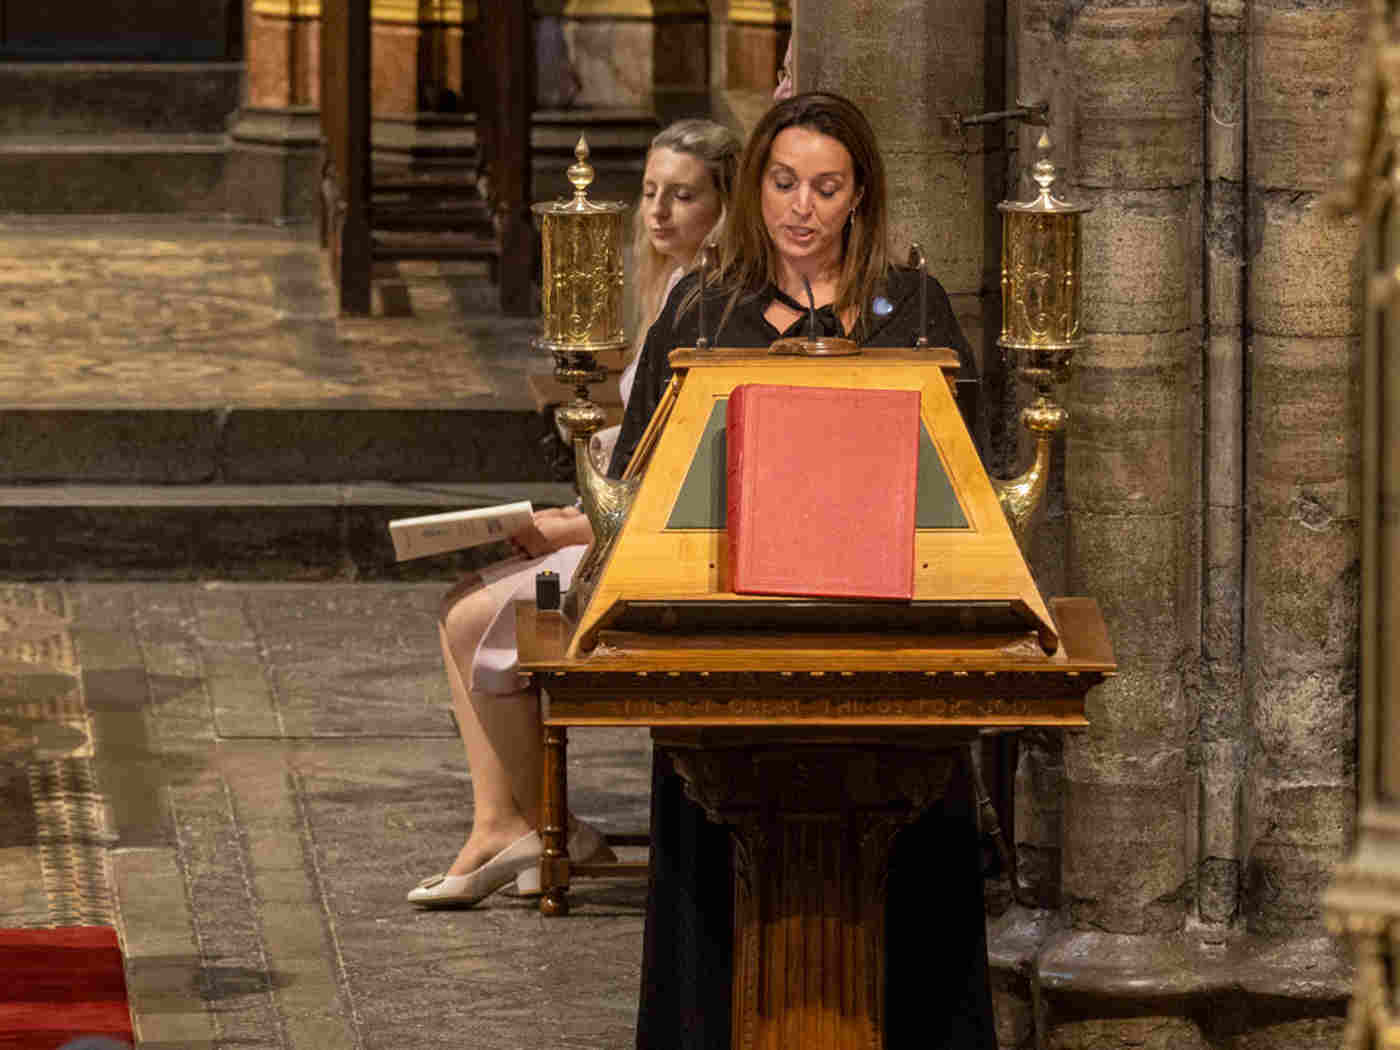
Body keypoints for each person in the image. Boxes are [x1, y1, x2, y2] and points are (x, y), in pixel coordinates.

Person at [607, 93, 996, 1050]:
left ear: (861, 194)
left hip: (889, 659)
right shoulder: (705, 309)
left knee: (909, 911)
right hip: (729, 658)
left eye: (826, 186)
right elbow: (637, 483)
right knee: (718, 911)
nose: (802, 208)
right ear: (755, 187)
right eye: (783, 183)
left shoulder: (916, 311)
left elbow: (969, 482)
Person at [406, 118, 742, 908]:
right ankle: (518, 824)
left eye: (683, 195)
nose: (657, 211)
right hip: (626, 525)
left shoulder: (713, 307)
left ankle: (529, 827)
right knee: (461, 603)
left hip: (669, 550)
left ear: (725, 206)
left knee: (468, 618)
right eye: (650, 192)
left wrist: (579, 524)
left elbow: (693, 475)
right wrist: (580, 506)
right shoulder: (674, 291)